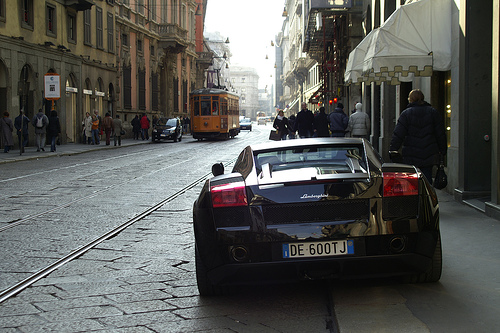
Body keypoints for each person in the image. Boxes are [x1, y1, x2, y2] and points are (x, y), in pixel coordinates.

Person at [389, 89, 447, 183]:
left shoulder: (406, 114)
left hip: (411, 154)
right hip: (428, 154)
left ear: (410, 99)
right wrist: (442, 150)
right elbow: (440, 133)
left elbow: (398, 134)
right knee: (426, 180)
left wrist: (393, 149)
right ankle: (425, 196)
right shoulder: (433, 113)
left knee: (412, 182)